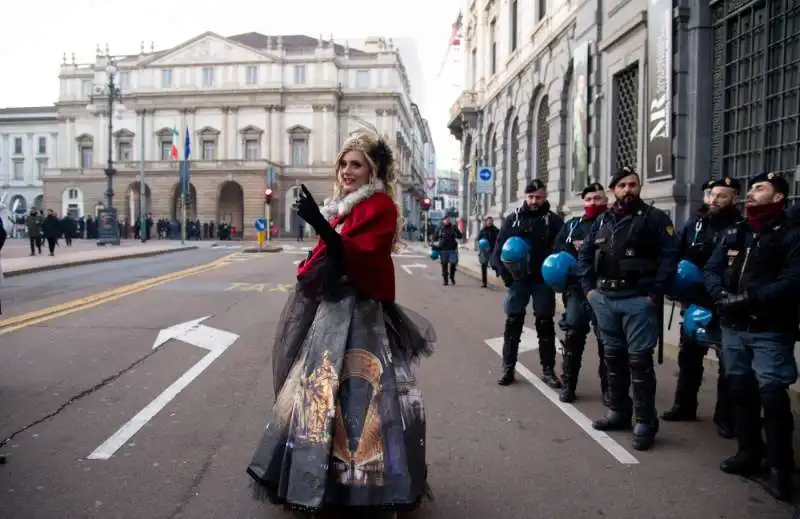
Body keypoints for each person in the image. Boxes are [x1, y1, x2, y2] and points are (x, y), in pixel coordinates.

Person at [246, 132, 435, 517]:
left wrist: (323, 225)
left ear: (373, 170)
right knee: (317, 392)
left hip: (362, 316)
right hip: (332, 312)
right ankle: (311, 476)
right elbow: (325, 256)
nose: (347, 171)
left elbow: (362, 257)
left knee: (361, 397)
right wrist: (322, 231)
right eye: (343, 164)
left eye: (356, 164)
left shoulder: (381, 206)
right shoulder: (346, 207)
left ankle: (362, 486)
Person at [704, 172, 800, 502]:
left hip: (769, 330)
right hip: (733, 328)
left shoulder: (790, 234)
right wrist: (719, 295)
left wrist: (748, 299)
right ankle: (748, 453)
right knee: (740, 390)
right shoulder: (737, 231)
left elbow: (793, 280)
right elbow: (712, 269)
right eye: (752, 189)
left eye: (760, 189)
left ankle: (780, 467)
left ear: (778, 198)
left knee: (773, 396)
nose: (751, 193)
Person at [576, 166, 679, 451]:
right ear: (613, 190)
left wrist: (653, 294)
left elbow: (670, 258)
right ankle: (619, 411)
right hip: (605, 299)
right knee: (613, 358)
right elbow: (584, 256)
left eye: (633, 184)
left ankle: (645, 420)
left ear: (639, 187)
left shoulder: (655, 219)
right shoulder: (602, 221)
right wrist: (589, 291)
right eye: (622, 185)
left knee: (639, 363)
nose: (628, 189)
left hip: (638, 300)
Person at [661, 177, 742, 439]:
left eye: (721, 195)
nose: (713, 199)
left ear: (734, 198)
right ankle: (684, 405)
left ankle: (725, 417)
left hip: (726, 303)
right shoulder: (695, 224)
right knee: (689, 357)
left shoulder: (740, 227)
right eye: (710, 194)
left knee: (727, 364)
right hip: (695, 301)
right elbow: (677, 254)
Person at [493, 179, 564, 387]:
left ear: (545, 196)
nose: (534, 201)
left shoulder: (554, 221)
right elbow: (498, 250)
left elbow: (562, 249)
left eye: (539, 197)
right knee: (513, 323)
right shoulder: (512, 220)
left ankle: (548, 370)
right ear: (526, 196)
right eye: (531, 197)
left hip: (543, 281)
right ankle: (508, 368)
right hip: (518, 281)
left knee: (545, 325)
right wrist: (507, 278)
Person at [552, 182, 609, 404]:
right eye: (588, 200)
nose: (592, 203)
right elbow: (558, 251)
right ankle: (568, 385)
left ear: (606, 200)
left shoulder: (613, 224)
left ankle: (609, 389)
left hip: (605, 290)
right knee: (574, 335)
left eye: (597, 199)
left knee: (607, 341)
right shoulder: (572, 227)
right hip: (577, 290)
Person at [434, 215, 463, 285]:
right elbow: (435, 237)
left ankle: (452, 276)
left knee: (453, 263)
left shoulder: (453, 227)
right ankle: (445, 280)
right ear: (443, 221)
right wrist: (434, 240)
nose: (447, 221)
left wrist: (457, 231)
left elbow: (460, 236)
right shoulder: (440, 228)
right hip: (443, 249)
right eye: (445, 220)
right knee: (444, 265)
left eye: (448, 220)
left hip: (452, 249)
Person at [477, 216, 499, 288]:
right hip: (484, 251)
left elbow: (499, 239)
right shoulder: (482, 230)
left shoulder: (496, 230)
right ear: (486, 222)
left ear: (492, 222)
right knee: (483, 266)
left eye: (491, 221)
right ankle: (484, 282)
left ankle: (497, 270)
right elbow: (478, 239)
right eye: (488, 221)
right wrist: (480, 246)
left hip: (492, 250)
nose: (489, 222)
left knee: (494, 264)